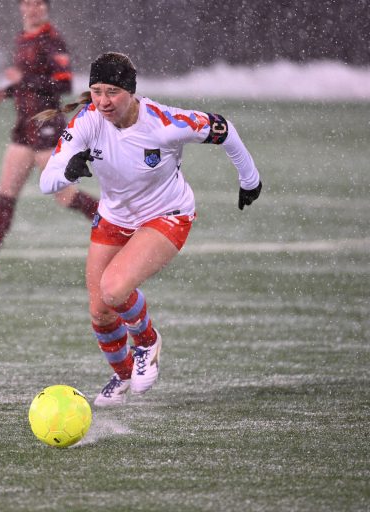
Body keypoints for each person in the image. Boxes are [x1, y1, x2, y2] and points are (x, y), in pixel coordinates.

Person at [39, 52, 263, 406]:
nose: (102, 101)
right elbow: (46, 180)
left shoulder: (165, 122)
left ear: (130, 91)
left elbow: (223, 128)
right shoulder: (87, 120)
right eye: (96, 91)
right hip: (115, 217)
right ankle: (124, 374)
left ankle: (147, 342)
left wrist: (250, 179)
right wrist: (68, 171)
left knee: (113, 289)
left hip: (167, 215)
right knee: (100, 310)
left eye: (112, 91)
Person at [0, 0, 98, 280]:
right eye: (27, 3)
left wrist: (24, 78)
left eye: (38, 4)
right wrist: (9, 91)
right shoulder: (22, 39)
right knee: (6, 194)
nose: (32, 9)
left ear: (46, 8)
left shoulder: (52, 40)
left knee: (66, 197)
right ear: (21, 7)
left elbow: (64, 83)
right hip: (24, 128)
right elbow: (30, 83)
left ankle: (119, 224)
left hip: (47, 126)